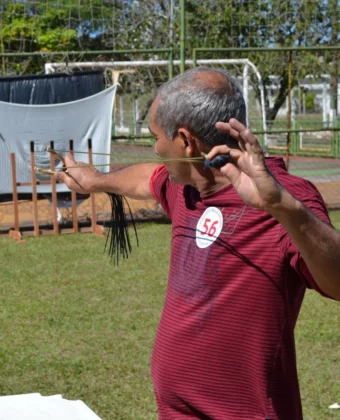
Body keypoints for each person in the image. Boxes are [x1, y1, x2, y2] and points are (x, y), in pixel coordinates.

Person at [54, 67, 340, 419]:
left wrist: (282, 207)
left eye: (156, 136)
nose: (155, 147)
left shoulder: (285, 199)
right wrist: (94, 181)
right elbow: (148, 177)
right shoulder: (186, 185)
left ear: (186, 141)